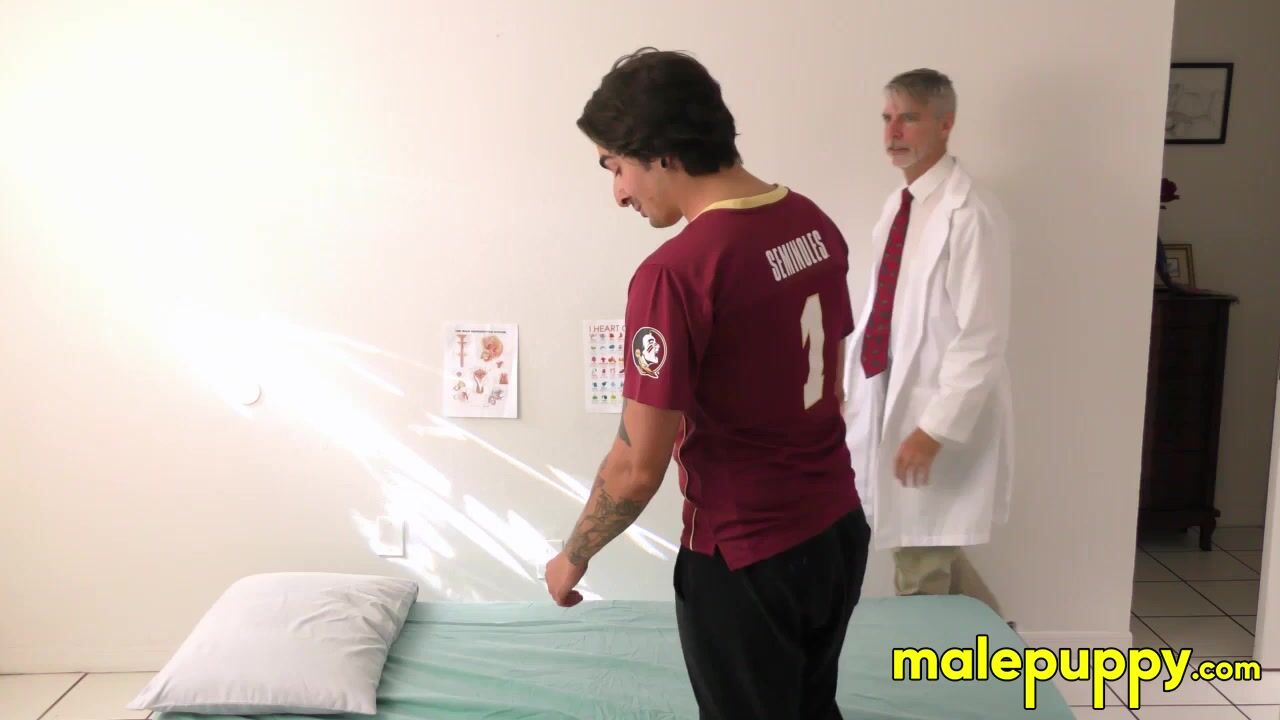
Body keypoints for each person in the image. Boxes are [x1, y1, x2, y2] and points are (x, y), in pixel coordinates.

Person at [544, 47, 870, 719]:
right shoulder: (813, 224)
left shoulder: (675, 274)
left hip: (748, 556)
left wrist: (572, 556)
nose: (619, 193)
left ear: (661, 153)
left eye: (616, 166)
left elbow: (636, 467)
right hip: (837, 530)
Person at [841, 68, 1015, 597]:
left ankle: (943, 654)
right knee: (927, 553)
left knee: (922, 562)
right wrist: (847, 387)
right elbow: (882, 311)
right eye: (887, 118)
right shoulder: (899, 206)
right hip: (889, 396)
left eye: (909, 118)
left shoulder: (970, 213)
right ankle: (998, 639)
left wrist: (933, 429)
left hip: (936, 412)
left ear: (946, 124)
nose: (893, 132)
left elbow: (982, 336)